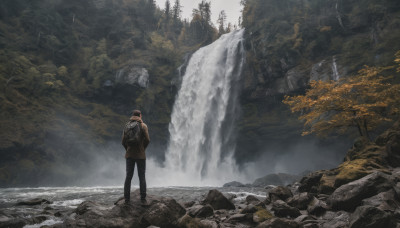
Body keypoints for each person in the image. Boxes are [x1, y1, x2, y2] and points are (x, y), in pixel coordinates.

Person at [122, 110, 150, 205]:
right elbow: (147, 139)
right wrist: (143, 149)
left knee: (128, 177)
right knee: (141, 176)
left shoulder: (127, 126)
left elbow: (123, 141)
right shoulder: (143, 126)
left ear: (132, 116)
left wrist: (128, 150)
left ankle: (127, 200)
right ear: (140, 116)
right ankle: (143, 199)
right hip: (140, 155)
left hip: (129, 155)